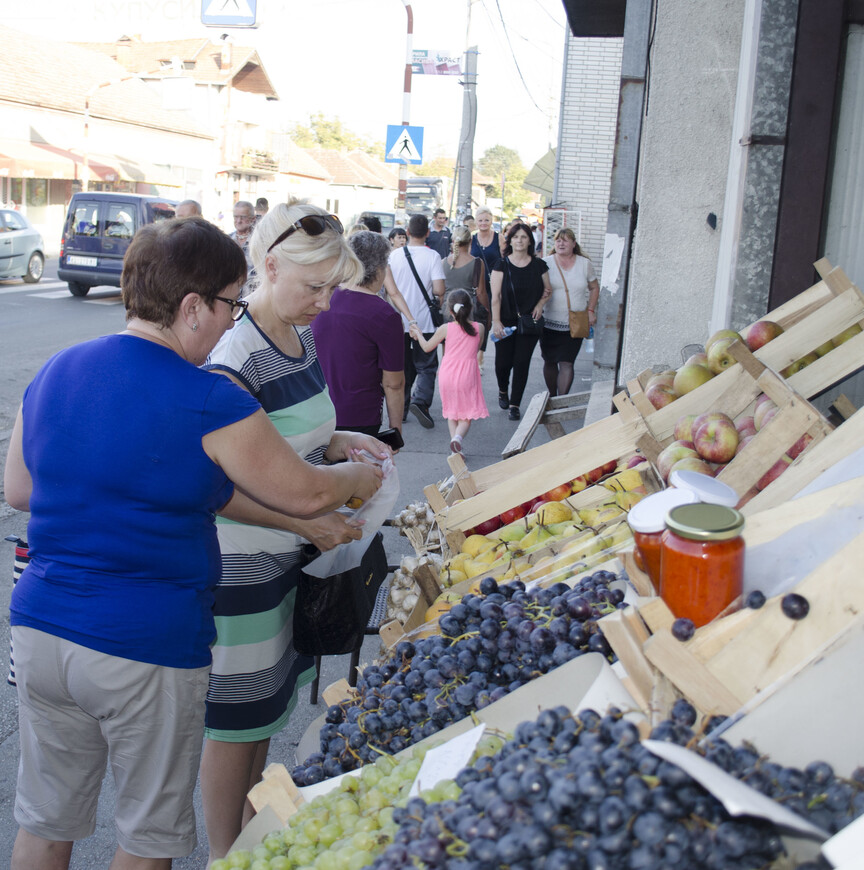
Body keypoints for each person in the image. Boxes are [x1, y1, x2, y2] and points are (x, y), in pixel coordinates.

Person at [2, 216, 382, 870]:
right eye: (230, 302)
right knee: (148, 839)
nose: (233, 317)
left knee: (46, 823)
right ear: (191, 307)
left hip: (40, 630)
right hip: (143, 644)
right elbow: (307, 494)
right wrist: (358, 473)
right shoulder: (207, 397)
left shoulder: (59, 369)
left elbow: (19, 491)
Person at [197, 201, 391, 862]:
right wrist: (314, 506)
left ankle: (250, 844)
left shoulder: (297, 338)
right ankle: (227, 854)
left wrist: (340, 439)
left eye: (335, 287)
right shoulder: (235, 353)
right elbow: (216, 486)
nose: (326, 303)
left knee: (265, 716)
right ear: (268, 265)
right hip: (244, 570)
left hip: (292, 559)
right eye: (315, 287)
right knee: (236, 725)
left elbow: (290, 438)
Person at [312, 230, 406, 436]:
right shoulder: (385, 315)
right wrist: (396, 427)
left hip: (315, 412)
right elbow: (393, 383)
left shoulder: (320, 300)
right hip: (360, 416)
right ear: (381, 268)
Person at [409, 289, 488, 456]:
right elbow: (476, 349)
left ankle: (455, 449)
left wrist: (418, 334)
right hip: (467, 374)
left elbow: (426, 347)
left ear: (450, 310)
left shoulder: (445, 328)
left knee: (452, 412)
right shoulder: (479, 327)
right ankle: (457, 439)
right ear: (471, 307)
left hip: (447, 374)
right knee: (466, 416)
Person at [388, 213, 446, 429]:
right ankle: (420, 402)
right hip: (425, 322)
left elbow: (388, 289)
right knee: (427, 365)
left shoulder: (394, 256)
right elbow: (439, 290)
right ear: (428, 233)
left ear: (408, 233)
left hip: (399, 321)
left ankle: (401, 409)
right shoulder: (432, 257)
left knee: (402, 366)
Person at [490, 223, 552, 421]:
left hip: (529, 322)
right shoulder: (501, 264)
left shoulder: (539, 265)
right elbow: (496, 297)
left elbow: (548, 290)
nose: (519, 240)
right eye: (515, 237)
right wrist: (496, 321)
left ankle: (515, 404)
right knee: (502, 363)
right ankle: (502, 390)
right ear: (510, 240)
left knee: (522, 363)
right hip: (505, 322)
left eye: (524, 237)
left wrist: (541, 304)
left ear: (530, 241)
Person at [541, 227, 600, 396]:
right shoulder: (546, 263)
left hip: (575, 323)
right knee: (550, 361)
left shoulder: (584, 264)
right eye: (558, 240)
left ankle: (561, 400)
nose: (561, 243)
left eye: (565, 240)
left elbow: (594, 288)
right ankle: (552, 396)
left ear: (574, 244)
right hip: (549, 322)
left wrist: (591, 310)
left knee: (567, 363)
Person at [443, 226, 490, 362]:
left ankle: (448, 379)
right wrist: (488, 313)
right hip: (469, 310)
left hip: (448, 310)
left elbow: (440, 291)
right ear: (470, 241)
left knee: (448, 353)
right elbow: (481, 292)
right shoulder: (477, 263)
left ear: (452, 240)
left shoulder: (443, 262)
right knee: (468, 353)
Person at [470, 206, 500, 284]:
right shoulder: (471, 239)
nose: (483, 223)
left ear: (491, 221)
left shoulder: (499, 238)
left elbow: (505, 260)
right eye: (480, 220)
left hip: (495, 282)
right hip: (476, 282)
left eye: (486, 220)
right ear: (476, 222)